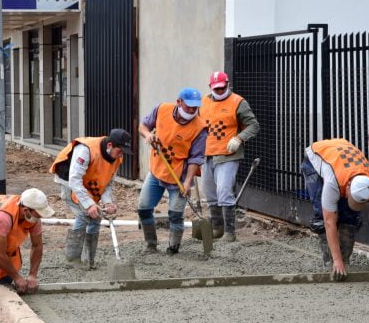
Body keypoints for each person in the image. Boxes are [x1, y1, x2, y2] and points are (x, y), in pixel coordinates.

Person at [300, 138, 369, 280]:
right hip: (317, 155)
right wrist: (337, 259)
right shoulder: (333, 182)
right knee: (322, 214)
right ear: (348, 187)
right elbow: (329, 221)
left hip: (343, 155)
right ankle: (331, 261)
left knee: (350, 217)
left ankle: (344, 260)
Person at [137, 88, 207, 253]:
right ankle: (151, 245)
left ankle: (173, 248)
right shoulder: (162, 110)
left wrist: (188, 182)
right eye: (189, 106)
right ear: (179, 102)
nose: (192, 110)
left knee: (175, 214)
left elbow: (195, 159)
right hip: (156, 170)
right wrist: (148, 135)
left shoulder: (200, 128)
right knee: (144, 208)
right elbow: (143, 126)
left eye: (195, 107)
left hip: (179, 176)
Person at [50, 129, 132, 268]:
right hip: (68, 181)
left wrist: (108, 202)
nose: (121, 154)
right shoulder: (86, 150)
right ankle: (73, 259)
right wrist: (89, 204)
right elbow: (74, 180)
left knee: (96, 216)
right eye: (120, 150)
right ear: (110, 145)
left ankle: (89, 260)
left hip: (87, 184)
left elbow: (107, 182)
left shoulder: (117, 157)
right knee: (84, 214)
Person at [200, 71, 259, 242]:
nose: (219, 91)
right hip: (207, 153)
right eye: (216, 89)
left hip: (228, 154)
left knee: (224, 190)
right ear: (210, 87)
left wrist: (239, 138)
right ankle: (217, 228)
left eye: (222, 88)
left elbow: (253, 125)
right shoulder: (203, 102)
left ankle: (230, 232)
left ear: (228, 84)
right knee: (210, 192)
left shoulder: (238, 102)